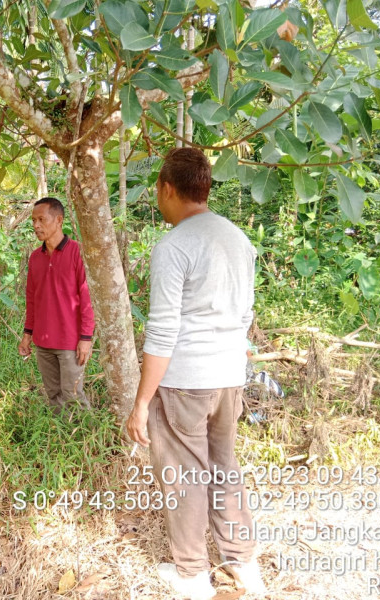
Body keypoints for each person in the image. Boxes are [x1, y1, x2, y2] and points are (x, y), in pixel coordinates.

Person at [125, 148, 267, 599]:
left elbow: (163, 331)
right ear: (205, 187)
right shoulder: (237, 238)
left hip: (186, 379)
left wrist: (142, 402)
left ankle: (191, 575)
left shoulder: (175, 245)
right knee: (224, 466)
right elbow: (245, 315)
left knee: (184, 474)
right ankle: (243, 563)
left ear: (168, 189)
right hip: (229, 376)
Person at [18, 197, 95, 415]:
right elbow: (32, 298)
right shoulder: (35, 257)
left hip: (70, 342)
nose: (36, 225)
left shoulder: (77, 253)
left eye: (42, 219)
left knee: (73, 395)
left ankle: (86, 441)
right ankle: (60, 439)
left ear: (59, 220)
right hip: (42, 341)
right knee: (53, 395)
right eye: (33, 220)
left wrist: (86, 338)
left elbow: (87, 299)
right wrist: (27, 334)